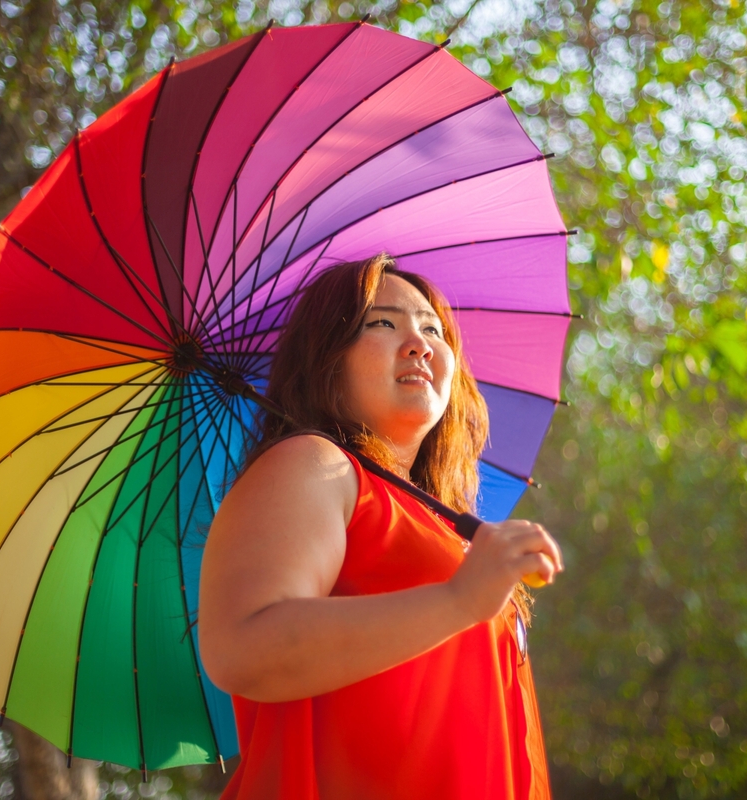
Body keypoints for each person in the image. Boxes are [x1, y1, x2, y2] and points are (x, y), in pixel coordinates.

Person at [198, 253, 563, 799]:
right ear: (328, 357)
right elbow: (244, 648)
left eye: (432, 328)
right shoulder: (314, 464)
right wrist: (459, 600)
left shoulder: (442, 523)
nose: (419, 343)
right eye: (383, 323)